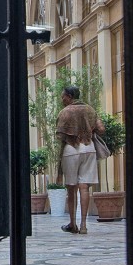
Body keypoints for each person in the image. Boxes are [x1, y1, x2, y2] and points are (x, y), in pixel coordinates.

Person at [55, 85, 104, 234]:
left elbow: (60, 135)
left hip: (71, 149)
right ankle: (83, 225)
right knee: (84, 187)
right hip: (89, 148)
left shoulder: (65, 112)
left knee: (71, 188)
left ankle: (72, 224)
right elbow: (101, 129)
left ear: (69, 96)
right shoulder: (90, 110)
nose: (62, 99)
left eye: (63, 96)